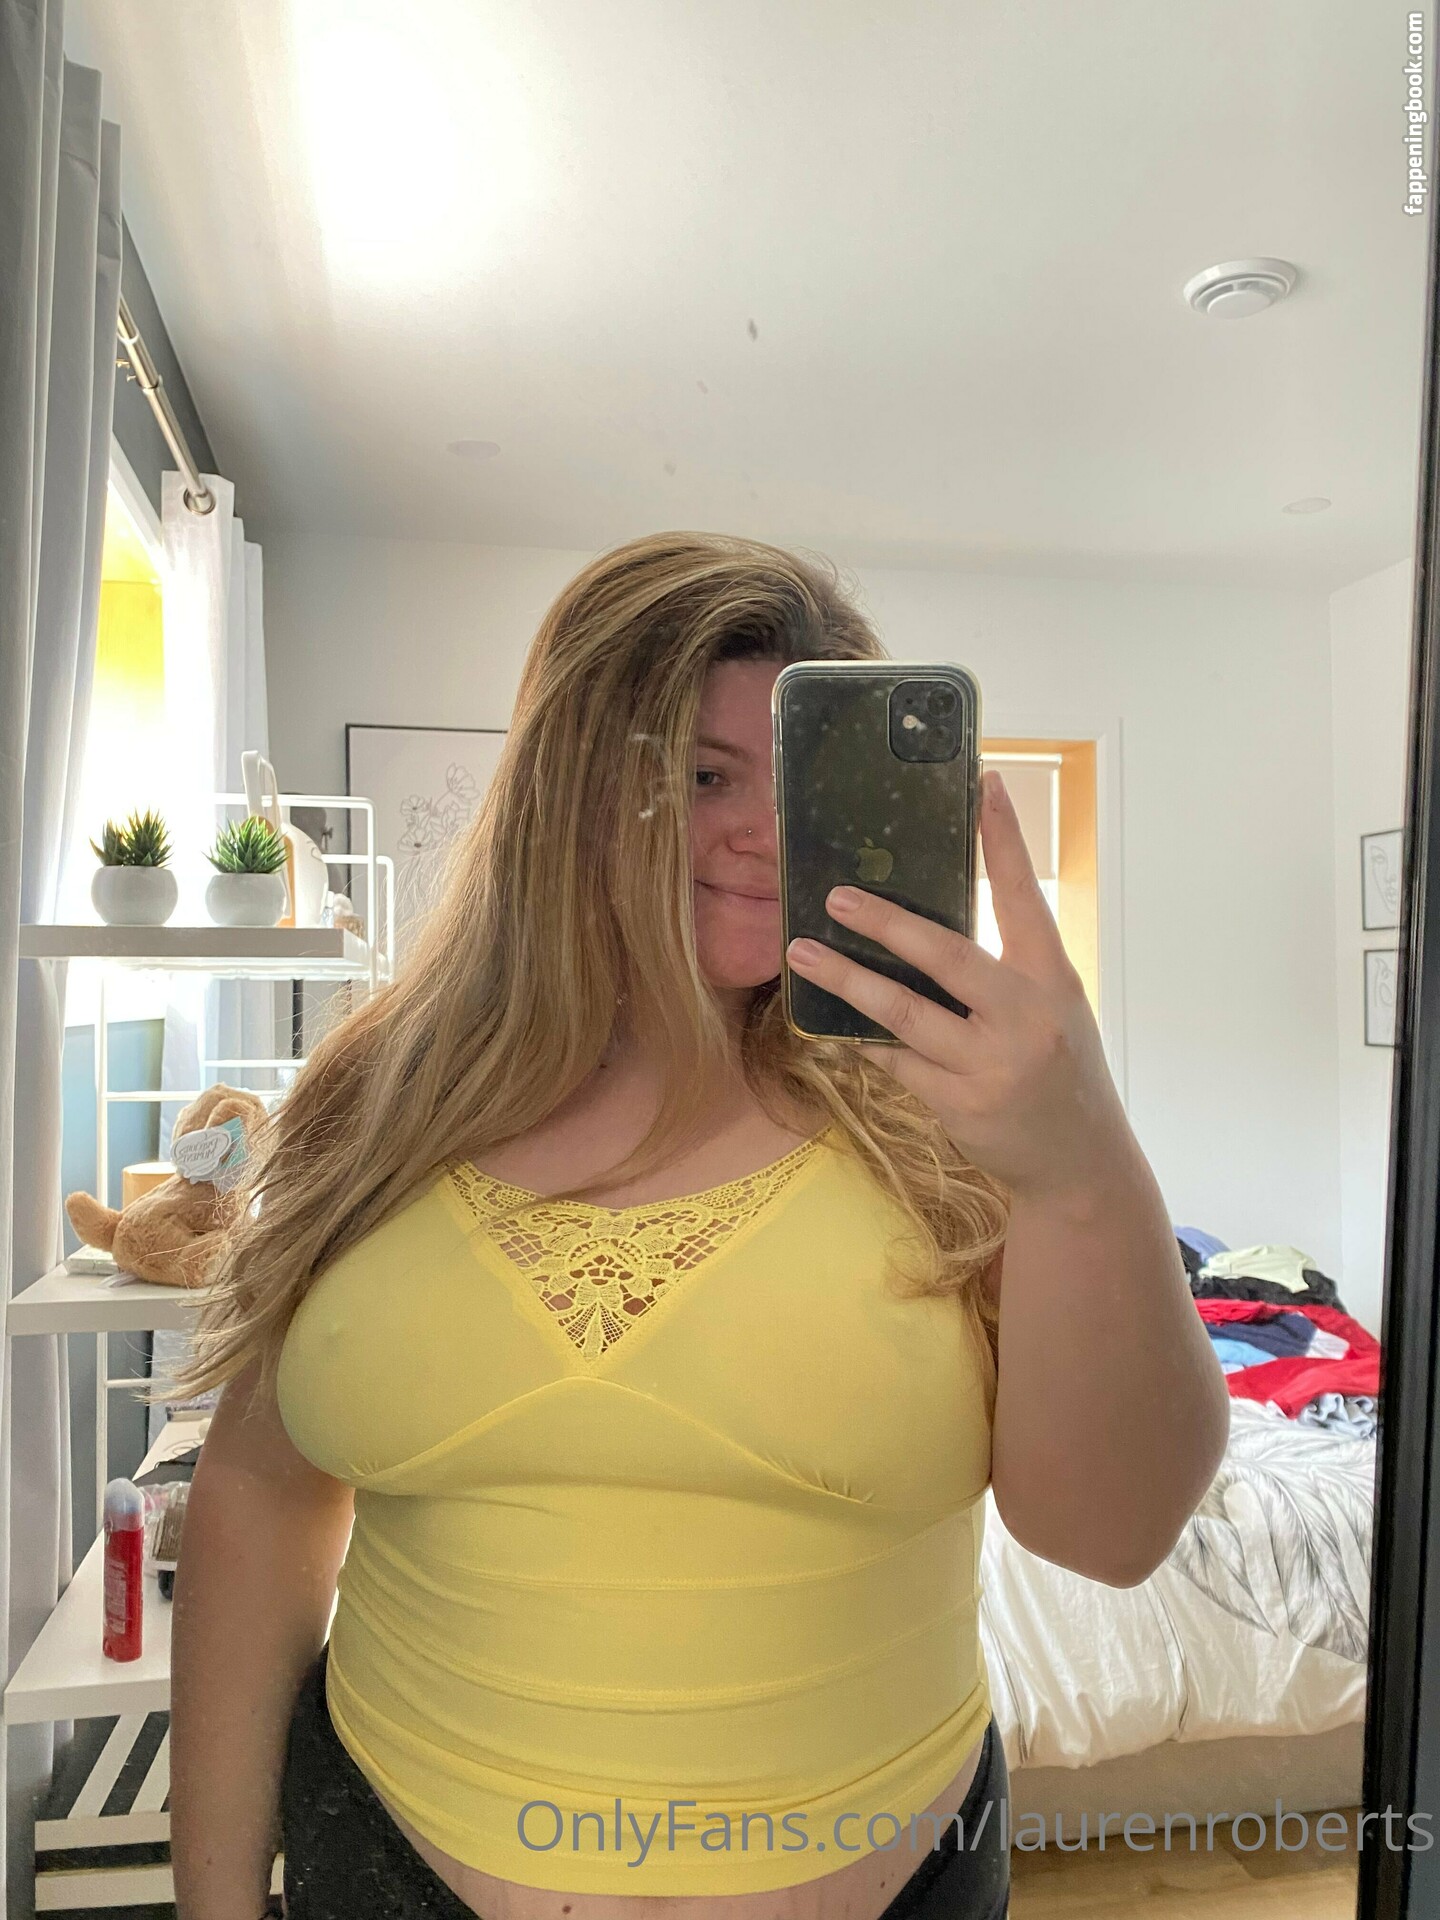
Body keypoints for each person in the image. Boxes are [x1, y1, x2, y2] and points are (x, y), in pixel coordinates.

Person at [162, 532, 1231, 1920]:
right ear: (570, 790)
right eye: (703, 775)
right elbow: (261, 1491)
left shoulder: (955, 1122)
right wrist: (214, 1904)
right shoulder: (383, 1097)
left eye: (798, 782)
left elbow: (1116, 1533)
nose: (761, 833)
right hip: (382, 1867)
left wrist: (1081, 1169)